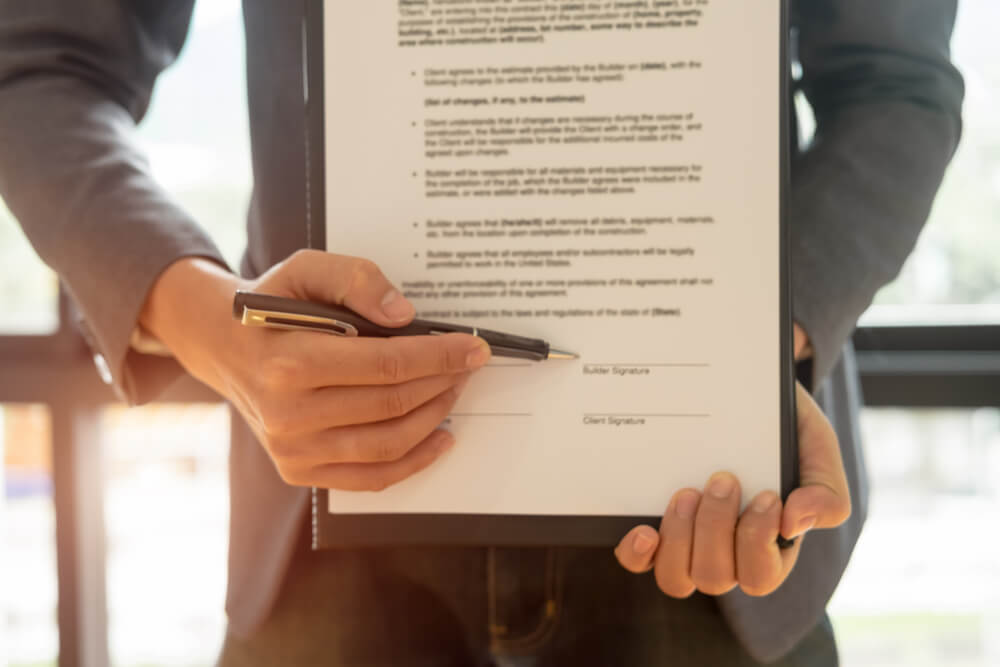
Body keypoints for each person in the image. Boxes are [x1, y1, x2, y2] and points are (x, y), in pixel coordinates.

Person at [0, 1, 963, 664]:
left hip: (710, 529)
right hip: (321, 531)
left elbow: (894, 82)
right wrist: (217, 329)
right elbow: (41, 67)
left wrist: (748, 361)